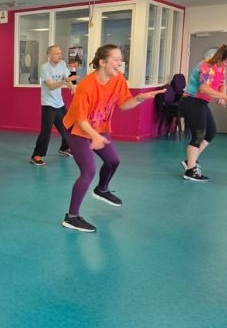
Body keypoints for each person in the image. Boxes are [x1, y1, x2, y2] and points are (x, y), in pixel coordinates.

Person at [61, 44, 165, 232]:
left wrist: (140, 98)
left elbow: (124, 104)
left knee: (113, 161)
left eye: (120, 59)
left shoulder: (118, 79)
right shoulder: (86, 86)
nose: (120, 63)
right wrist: (94, 136)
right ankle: (71, 217)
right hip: (77, 129)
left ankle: (102, 189)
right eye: (116, 59)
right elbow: (80, 120)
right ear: (103, 62)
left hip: (97, 127)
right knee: (88, 171)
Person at [179, 44, 227, 182]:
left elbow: (222, 83)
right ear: (220, 57)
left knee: (210, 132)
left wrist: (222, 95)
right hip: (191, 100)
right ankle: (190, 171)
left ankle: (190, 161)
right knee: (199, 134)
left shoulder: (221, 67)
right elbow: (204, 89)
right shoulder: (206, 66)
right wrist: (225, 96)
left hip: (201, 102)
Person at [30, 45, 76, 167]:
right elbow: (50, 85)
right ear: (49, 55)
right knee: (46, 131)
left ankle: (64, 147)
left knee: (68, 126)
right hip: (48, 104)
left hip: (59, 103)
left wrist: (72, 87)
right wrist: (64, 82)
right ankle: (36, 156)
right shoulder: (45, 67)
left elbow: (68, 78)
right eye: (56, 53)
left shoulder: (62, 64)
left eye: (60, 53)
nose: (59, 55)